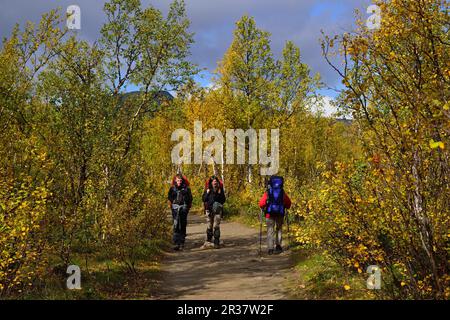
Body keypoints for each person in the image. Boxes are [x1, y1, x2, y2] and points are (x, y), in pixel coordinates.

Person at [258, 176, 291, 255]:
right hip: (280, 213)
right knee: (279, 229)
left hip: (269, 214)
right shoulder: (282, 192)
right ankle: (278, 246)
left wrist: (263, 206)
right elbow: (289, 203)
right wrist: (285, 206)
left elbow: (261, 203)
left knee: (270, 230)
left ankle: (270, 248)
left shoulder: (268, 192)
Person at [167, 174, 193, 251]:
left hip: (184, 208)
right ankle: (176, 243)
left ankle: (181, 242)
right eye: (178, 180)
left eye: (180, 180)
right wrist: (171, 206)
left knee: (182, 224)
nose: (179, 182)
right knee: (176, 224)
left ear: (183, 181)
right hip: (175, 208)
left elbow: (190, 199)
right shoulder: (172, 188)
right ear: (175, 180)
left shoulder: (187, 189)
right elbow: (169, 198)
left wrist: (187, 207)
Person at [202, 175, 226, 249]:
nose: (214, 182)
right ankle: (209, 240)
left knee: (216, 226)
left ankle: (216, 242)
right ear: (211, 182)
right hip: (209, 210)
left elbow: (223, 200)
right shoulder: (208, 189)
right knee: (209, 225)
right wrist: (207, 193)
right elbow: (204, 199)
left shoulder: (220, 189)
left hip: (218, 210)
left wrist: (219, 194)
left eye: (216, 181)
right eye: (213, 181)